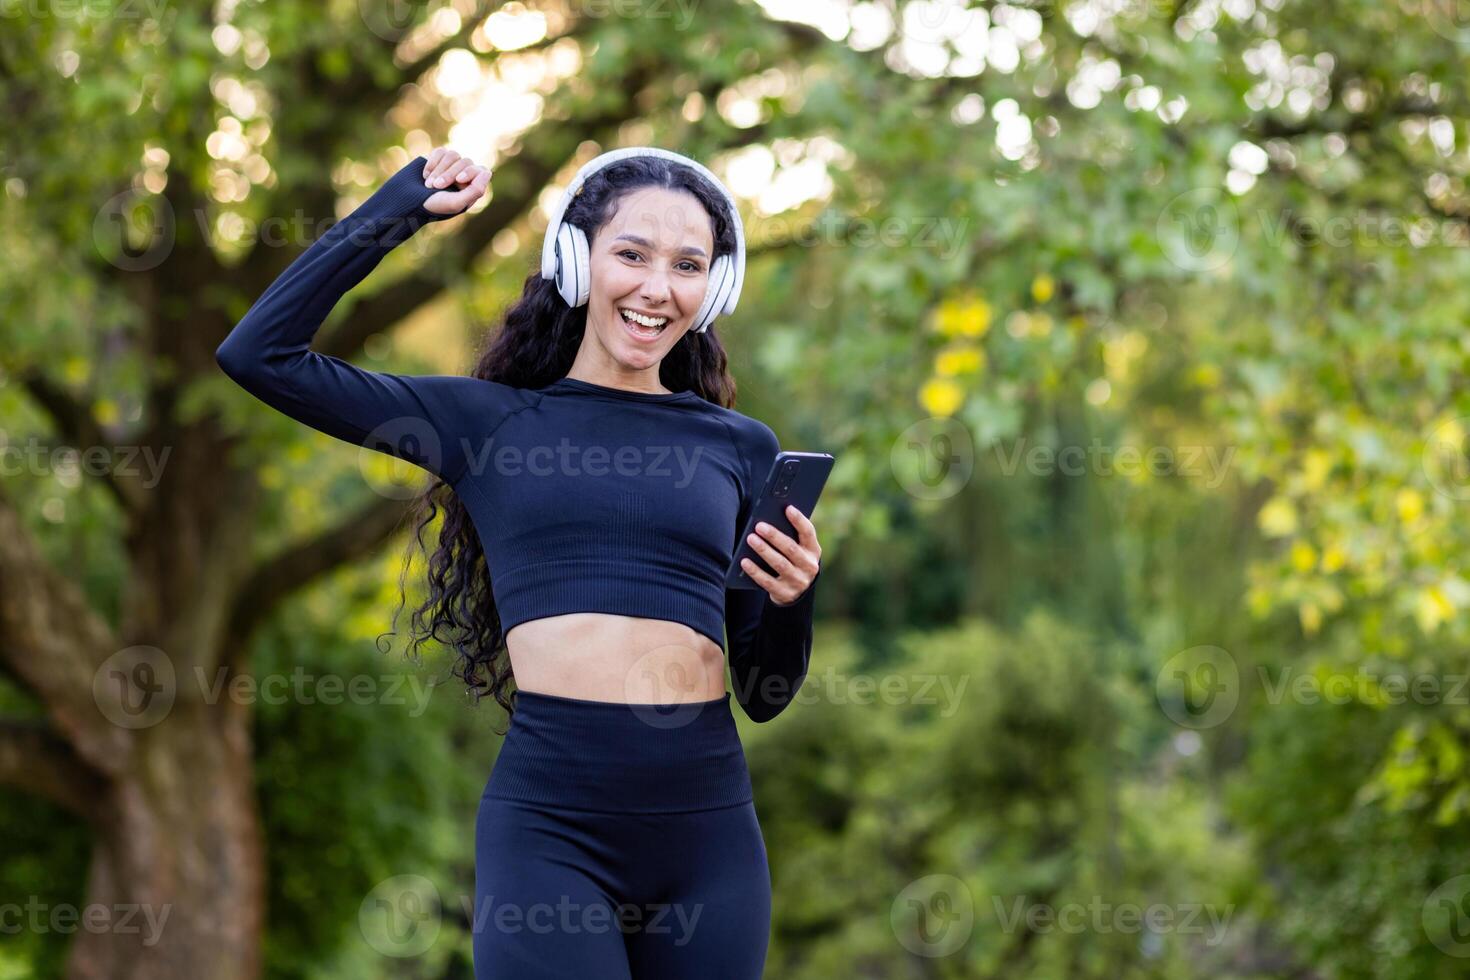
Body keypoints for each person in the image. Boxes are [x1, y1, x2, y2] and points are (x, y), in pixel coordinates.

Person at [214, 145, 823, 978]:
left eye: (688, 265)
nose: (657, 288)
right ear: (575, 259)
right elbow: (260, 356)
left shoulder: (741, 448)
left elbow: (766, 693)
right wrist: (399, 209)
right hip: (552, 832)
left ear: (713, 289)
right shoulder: (486, 423)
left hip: (708, 837)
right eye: (632, 254)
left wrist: (793, 600)